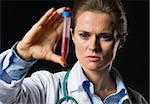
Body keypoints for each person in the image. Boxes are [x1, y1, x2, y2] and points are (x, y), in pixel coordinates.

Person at [0, 0, 148, 104]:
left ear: (120, 40)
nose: (93, 46)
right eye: (84, 35)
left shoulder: (137, 100)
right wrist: (22, 55)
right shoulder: (47, 88)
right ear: (72, 36)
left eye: (105, 37)